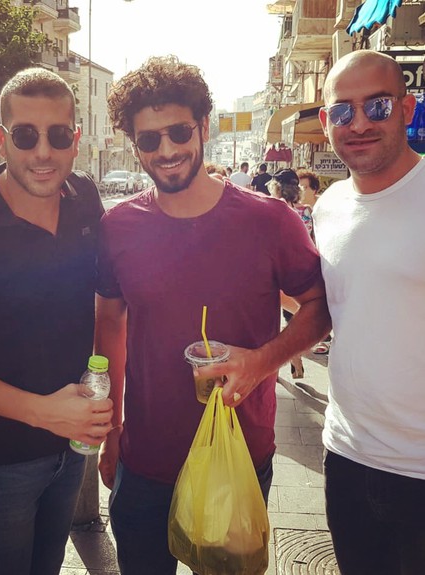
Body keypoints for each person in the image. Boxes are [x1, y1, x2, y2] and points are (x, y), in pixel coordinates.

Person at [95, 55, 330, 575]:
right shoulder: (119, 227)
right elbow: (109, 326)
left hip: (238, 455)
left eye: (179, 131)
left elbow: (319, 308)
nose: (166, 150)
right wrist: (112, 431)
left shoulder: (270, 220)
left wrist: (260, 362)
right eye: (148, 139)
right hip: (145, 461)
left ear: (204, 126)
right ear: (134, 144)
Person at [0, 68, 113, 575]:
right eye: (25, 135)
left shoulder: (85, 198)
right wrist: (42, 413)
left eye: (57, 135)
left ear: (75, 140)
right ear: (1, 139)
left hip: (70, 451)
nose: (42, 152)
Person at [314, 49, 424, 575]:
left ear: (406, 108)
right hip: (348, 457)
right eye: (343, 110)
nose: (358, 123)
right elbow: (342, 305)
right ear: (325, 121)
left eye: (376, 106)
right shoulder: (328, 207)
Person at [270, 168, 315, 379]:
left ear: (275, 188)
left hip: (279, 273)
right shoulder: (306, 211)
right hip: (304, 272)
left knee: (279, 320)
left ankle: (286, 360)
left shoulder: (271, 211)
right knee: (296, 318)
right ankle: (295, 356)